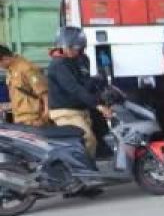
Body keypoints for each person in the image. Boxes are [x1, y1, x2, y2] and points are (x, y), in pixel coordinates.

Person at [46, 27, 110, 156]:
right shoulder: (58, 64)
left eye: (72, 48)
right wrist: (98, 105)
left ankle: (87, 169)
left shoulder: (82, 60)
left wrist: (98, 82)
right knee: (87, 139)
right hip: (65, 112)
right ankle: (81, 173)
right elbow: (74, 88)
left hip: (81, 110)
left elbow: (84, 83)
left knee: (99, 136)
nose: (68, 51)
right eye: (66, 47)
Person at [0, 45, 49, 126]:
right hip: (20, 118)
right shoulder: (11, 70)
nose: (0, 67)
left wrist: (45, 116)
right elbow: (19, 96)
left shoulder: (26, 68)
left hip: (33, 120)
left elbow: (45, 94)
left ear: (5, 58)